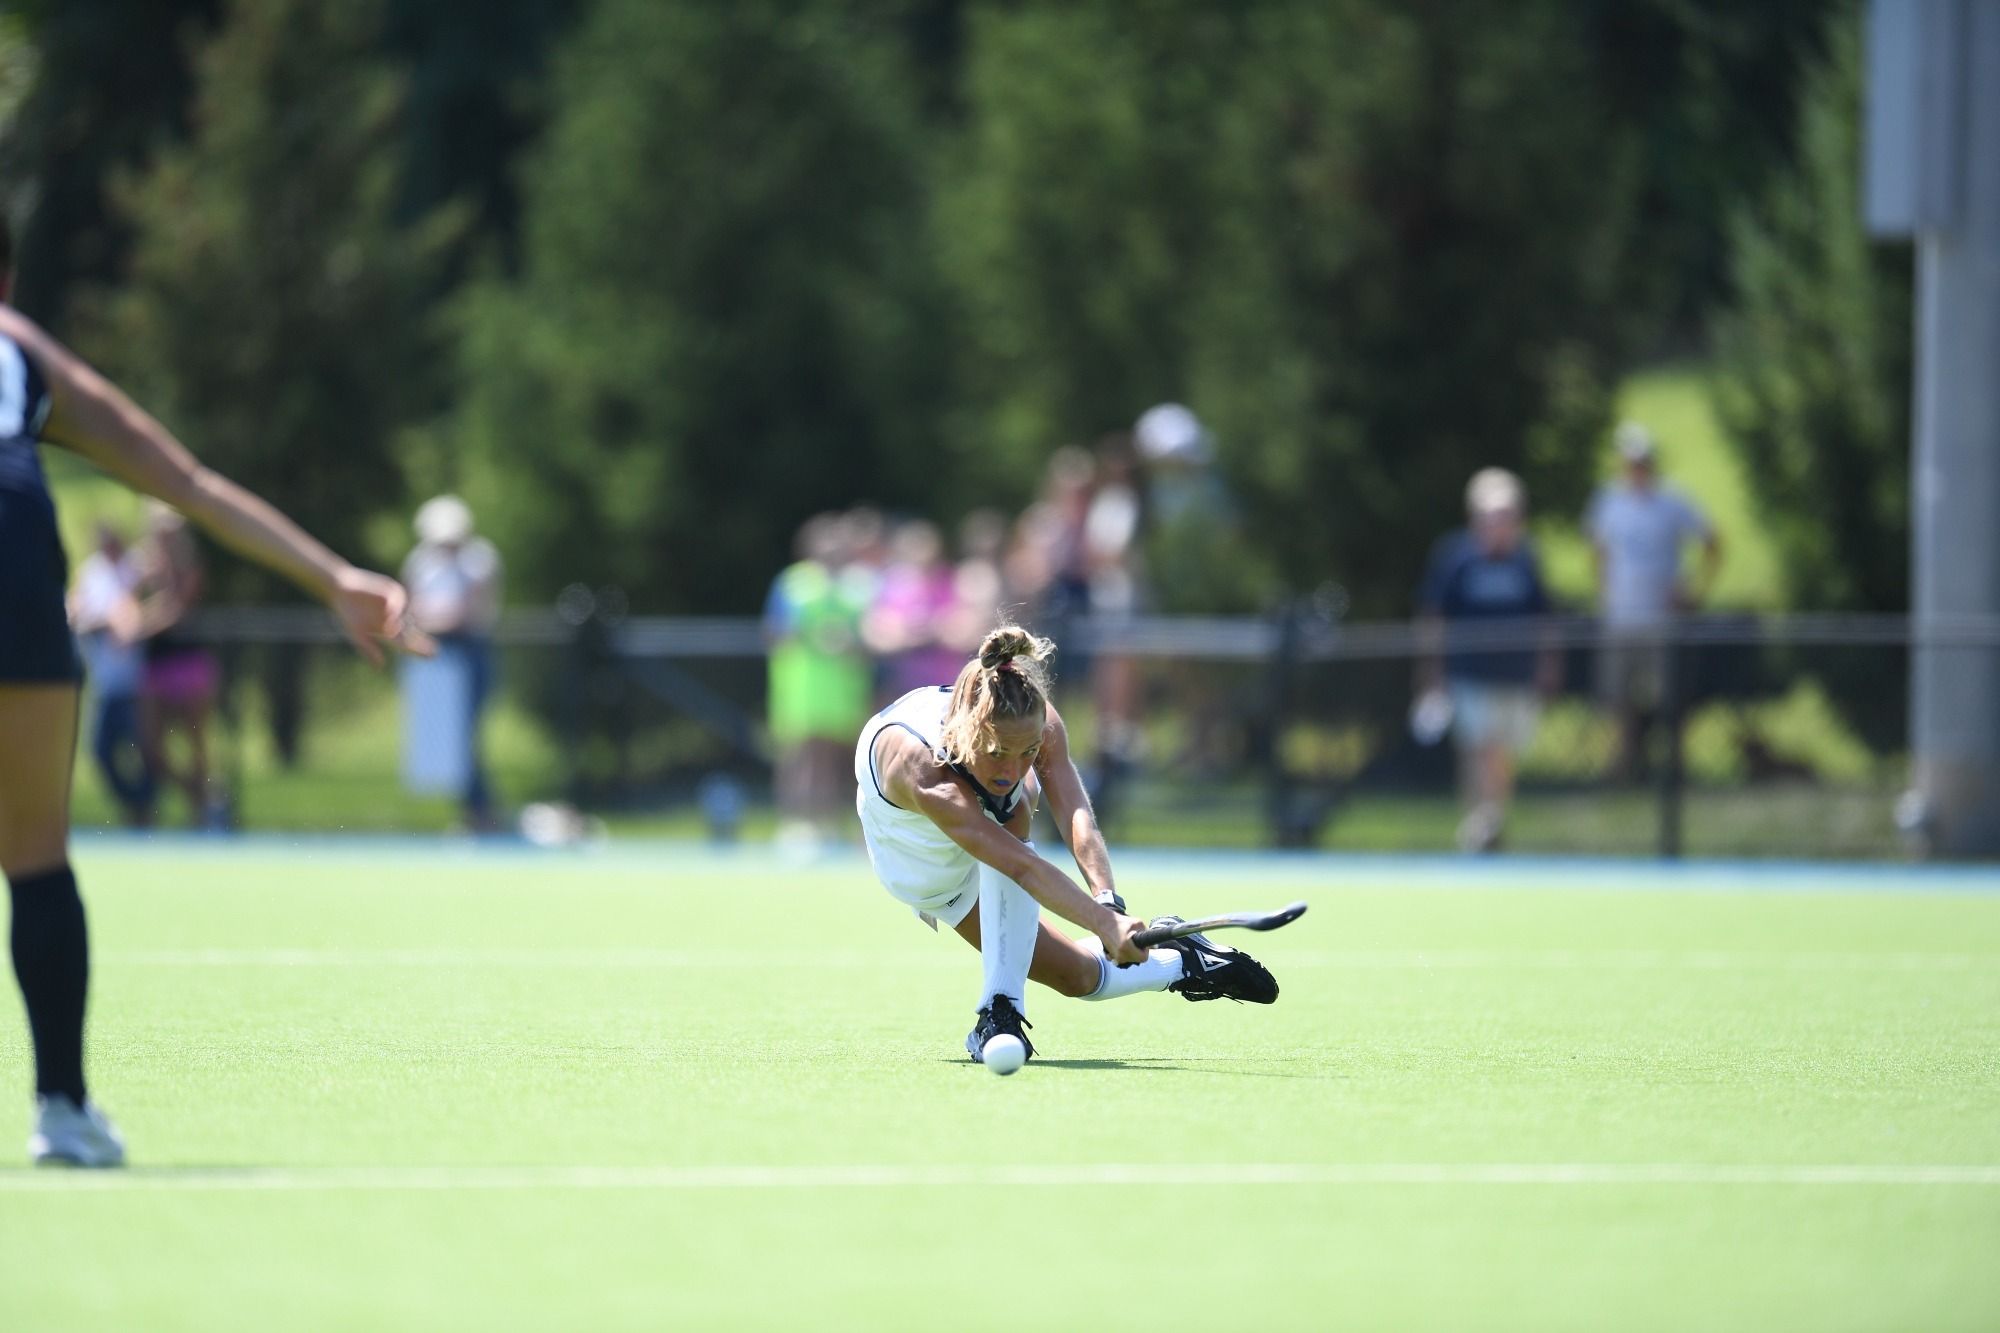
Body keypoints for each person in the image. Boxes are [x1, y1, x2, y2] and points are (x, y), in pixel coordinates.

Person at [0, 218, 419, 1166]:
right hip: (9, 525)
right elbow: (186, 481)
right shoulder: (20, 352)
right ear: (9, 276)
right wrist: (332, 576)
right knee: (32, 853)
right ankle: (62, 1108)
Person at [854, 626, 1278, 1066]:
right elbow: (1022, 867)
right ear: (967, 734)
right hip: (921, 866)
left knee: (1018, 805)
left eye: (1028, 753)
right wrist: (1100, 925)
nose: (1013, 768)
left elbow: (1076, 813)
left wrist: (1108, 904)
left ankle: (1000, 1013)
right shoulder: (923, 770)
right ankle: (1181, 962)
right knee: (1078, 973)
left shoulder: (1032, 717)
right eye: (997, 752)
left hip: (993, 834)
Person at [1415, 468, 1560, 853]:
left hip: (1515, 675)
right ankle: (1482, 822)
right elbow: (1435, 618)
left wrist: (1549, 664)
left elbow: (1543, 617)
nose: (1501, 524)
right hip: (1469, 674)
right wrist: (1432, 676)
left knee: (1502, 753)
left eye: (1508, 516)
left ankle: (1490, 819)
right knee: (1480, 746)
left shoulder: (1526, 559)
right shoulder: (1457, 557)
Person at [1584, 422, 1721, 782]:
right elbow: (1596, 551)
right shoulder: (1608, 501)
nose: (1637, 468)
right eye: (1632, 461)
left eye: (1643, 461)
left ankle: (1674, 767)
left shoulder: (1673, 501)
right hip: (1621, 618)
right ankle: (1625, 763)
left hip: (1662, 622)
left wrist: (1692, 592)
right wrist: (1604, 592)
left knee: (1671, 697)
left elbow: (1712, 542)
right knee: (1618, 697)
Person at [765, 514, 873, 852]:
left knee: (836, 760)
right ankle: (795, 826)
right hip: (801, 684)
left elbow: (869, 635)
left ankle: (828, 827)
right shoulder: (794, 584)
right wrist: (814, 637)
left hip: (842, 688)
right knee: (799, 756)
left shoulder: (856, 587)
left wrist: (848, 643)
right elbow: (774, 632)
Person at [401, 495, 505, 831]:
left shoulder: (480, 562)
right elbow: (412, 610)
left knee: (463, 738)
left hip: (468, 652)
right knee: (442, 742)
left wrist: (430, 619)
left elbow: (466, 614)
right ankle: (473, 812)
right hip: (433, 654)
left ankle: (481, 812)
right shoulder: (420, 562)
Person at [131, 503, 223, 826]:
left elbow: (177, 611)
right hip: (154, 664)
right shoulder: (143, 567)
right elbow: (125, 603)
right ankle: (200, 795)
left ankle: (203, 815)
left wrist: (139, 624)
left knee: (197, 745)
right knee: (151, 749)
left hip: (189, 662)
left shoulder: (189, 567)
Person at [67, 523, 156, 826]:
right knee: (100, 752)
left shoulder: (134, 567)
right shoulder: (93, 572)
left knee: (142, 750)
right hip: (103, 683)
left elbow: (132, 614)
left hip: (134, 682)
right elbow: (76, 610)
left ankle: (146, 810)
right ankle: (134, 805)